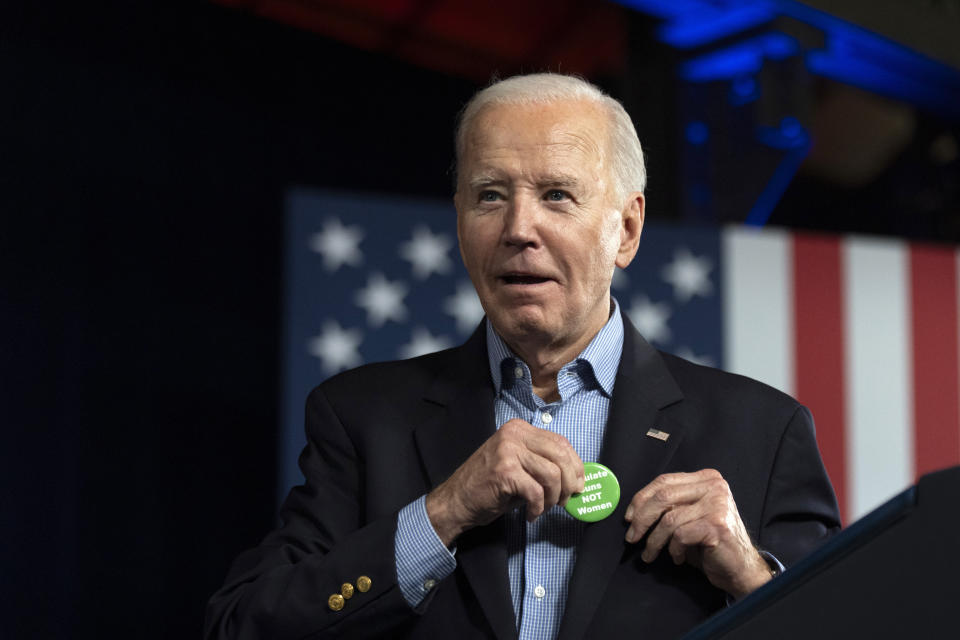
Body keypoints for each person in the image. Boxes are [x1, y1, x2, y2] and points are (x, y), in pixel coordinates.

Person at [205, 73, 840, 640]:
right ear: (459, 225)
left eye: (557, 195)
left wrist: (752, 574)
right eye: (489, 195)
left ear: (626, 229)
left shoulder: (763, 430)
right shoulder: (361, 417)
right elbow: (243, 624)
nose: (518, 228)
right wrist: (441, 514)